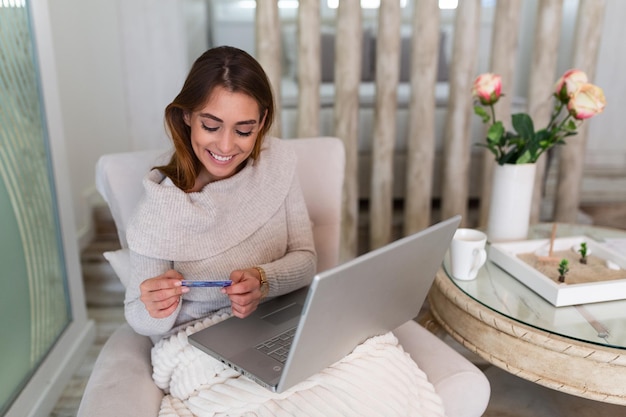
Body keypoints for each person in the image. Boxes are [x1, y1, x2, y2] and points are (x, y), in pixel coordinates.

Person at [124, 46, 317, 339]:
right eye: (211, 126)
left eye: (243, 131)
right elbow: (138, 317)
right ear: (187, 115)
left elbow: (305, 259)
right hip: (195, 342)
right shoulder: (160, 207)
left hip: (279, 324)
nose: (226, 147)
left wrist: (262, 280)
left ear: (262, 122)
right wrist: (154, 306)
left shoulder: (277, 162)